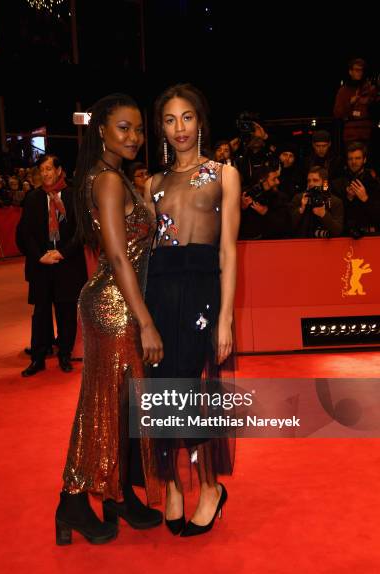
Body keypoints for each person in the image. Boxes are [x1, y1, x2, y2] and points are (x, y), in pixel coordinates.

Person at [56, 94, 163, 546]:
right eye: (124, 128)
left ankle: (116, 497)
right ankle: (73, 500)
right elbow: (117, 257)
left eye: (138, 129)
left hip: (118, 302)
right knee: (107, 407)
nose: (134, 137)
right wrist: (146, 322)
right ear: (100, 129)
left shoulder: (110, 176)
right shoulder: (108, 181)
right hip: (115, 306)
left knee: (120, 409)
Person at [145, 83, 241, 537]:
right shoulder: (153, 182)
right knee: (162, 391)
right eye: (169, 119)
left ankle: (209, 486)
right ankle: (172, 485)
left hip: (201, 293)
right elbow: (144, 253)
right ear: (160, 127)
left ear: (200, 121)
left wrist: (224, 317)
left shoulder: (223, 174)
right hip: (159, 295)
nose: (179, 127)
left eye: (186, 117)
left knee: (184, 387)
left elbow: (228, 250)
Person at [19, 154, 87, 377]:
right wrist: (40, 256)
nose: (45, 173)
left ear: (59, 171)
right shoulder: (33, 198)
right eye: (42, 170)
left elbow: (80, 232)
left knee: (66, 312)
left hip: (67, 264)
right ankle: (38, 358)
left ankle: (64, 355)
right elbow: (24, 234)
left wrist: (62, 253)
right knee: (40, 313)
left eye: (49, 169)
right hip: (41, 265)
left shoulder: (73, 196)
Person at [333, 58, 378, 147]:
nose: (360, 73)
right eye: (357, 70)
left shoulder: (370, 89)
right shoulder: (343, 91)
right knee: (353, 160)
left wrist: (370, 102)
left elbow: (375, 113)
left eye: (361, 70)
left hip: (367, 134)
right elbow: (337, 113)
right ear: (350, 72)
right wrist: (350, 102)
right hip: (351, 136)